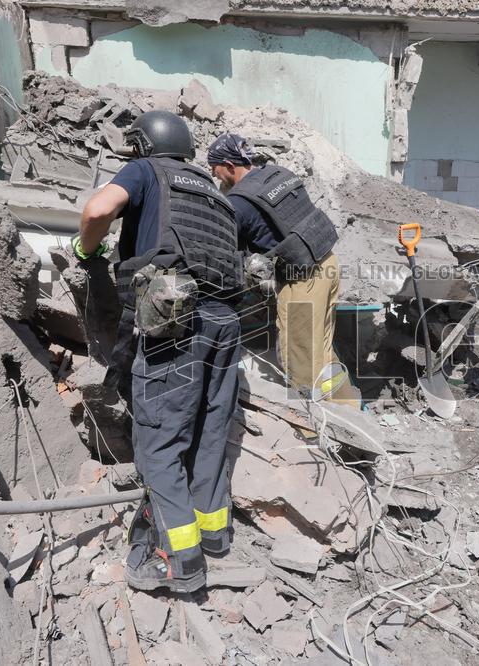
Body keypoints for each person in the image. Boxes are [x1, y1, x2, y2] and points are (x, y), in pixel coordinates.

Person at [73, 111, 244, 592]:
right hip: (225, 324)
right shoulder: (217, 195)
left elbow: (96, 212)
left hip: (175, 321)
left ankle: (178, 561)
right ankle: (214, 538)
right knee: (211, 433)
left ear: (145, 145)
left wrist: (87, 252)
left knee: (159, 440)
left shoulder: (149, 170)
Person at [206, 132, 359, 404]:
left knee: (300, 359)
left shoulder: (239, 202)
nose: (219, 181)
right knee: (322, 353)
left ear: (230, 166)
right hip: (328, 263)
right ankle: (350, 415)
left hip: (303, 281)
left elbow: (227, 256)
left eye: (218, 174)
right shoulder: (277, 173)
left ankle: (317, 433)